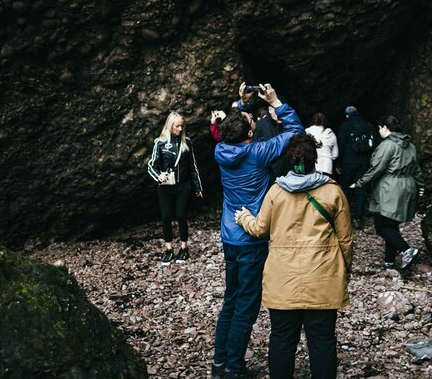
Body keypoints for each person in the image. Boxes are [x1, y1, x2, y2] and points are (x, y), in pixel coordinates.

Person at [234, 133, 352, 379]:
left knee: (281, 339)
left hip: (283, 278)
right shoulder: (333, 193)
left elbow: (259, 229)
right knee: (322, 340)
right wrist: (344, 272)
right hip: (323, 277)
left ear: (290, 160)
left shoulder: (276, 192)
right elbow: (345, 240)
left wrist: (243, 217)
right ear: (315, 160)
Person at [211, 83, 304, 379]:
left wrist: (240, 103)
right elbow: (296, 132)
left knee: (230, 300)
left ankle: (219, 363)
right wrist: (276, 101)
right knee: (246, 306)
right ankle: (234, 369)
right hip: (251, 237)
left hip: (229, 234)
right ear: (251, 134)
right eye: (251, 121)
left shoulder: (220, 150)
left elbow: (231, 127)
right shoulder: (258, 152)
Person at [350, 115, 424, 270]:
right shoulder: (410, 146)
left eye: (379, 128)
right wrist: (421, 186)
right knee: (392, 224)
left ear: (384, 127)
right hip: (407, 186)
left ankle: (406, 250)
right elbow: (416, 169)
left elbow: (377, 168)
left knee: (382, 225)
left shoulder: (387, 145)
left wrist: (359, 183)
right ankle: (389, 262)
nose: (378, 131)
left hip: (390, 189)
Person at [147, 111, 203, 264]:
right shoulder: (160, 142)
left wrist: (198, 186)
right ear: (170, 125)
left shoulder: (187, 142)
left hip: (183, 186)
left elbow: (193, 166)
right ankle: (168, 249)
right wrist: (158, 176)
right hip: (165, 187)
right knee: (166, 217)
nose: (180, 129)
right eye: (177, 126)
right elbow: (152, 165)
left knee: (180, 215)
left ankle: (184, 248)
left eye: (182, 126)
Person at [336, 106, 377, 228]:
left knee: (344, 189)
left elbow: (341, 145)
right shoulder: (368, 125)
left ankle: (343, 217)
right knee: (360, 189)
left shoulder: (345, 126)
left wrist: (338, 163)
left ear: (347, 115)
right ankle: (358, 218)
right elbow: (374, 144)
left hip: (348, 162)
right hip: (364, 162)